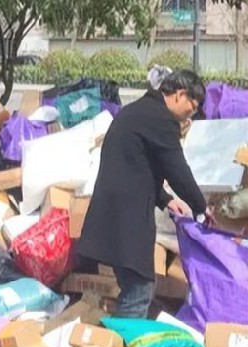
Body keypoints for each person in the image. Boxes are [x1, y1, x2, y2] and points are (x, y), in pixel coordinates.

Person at [75, 69, 209, 319]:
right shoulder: (161, 119)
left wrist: (166, 200)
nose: (190, 115)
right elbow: (177, 169)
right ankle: (124, 343)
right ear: (179, 94)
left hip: (112, 214)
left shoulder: (137, 110)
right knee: (139, 290)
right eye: (191, 108)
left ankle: (118, 339)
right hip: (127, 219)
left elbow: (137, 165)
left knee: (135, 287)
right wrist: (202, 207)